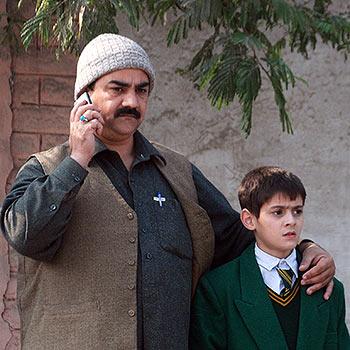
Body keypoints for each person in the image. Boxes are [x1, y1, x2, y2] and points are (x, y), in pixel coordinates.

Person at [0, 34, 335, 350]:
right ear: (84, 96)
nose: (132, 101)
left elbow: (239, 236)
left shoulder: (176, 171)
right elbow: (25, 235)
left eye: (141, 90)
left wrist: (306, 248)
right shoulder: (47, 168)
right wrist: (77, 159)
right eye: (117, 88)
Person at [189, 166, 350, 349]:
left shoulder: (330, 289)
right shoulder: (217, 289)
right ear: (249, 220)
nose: (291, 221)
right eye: (278, 212)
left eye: (297, 211)